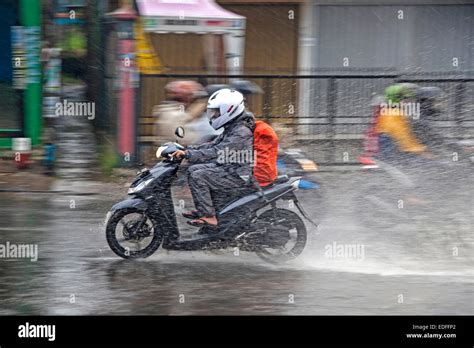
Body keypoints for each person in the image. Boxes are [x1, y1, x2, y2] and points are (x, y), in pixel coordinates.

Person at [171, 88, 256, 228]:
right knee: (192, 170)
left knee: (199, 175)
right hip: (229, 168)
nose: (214, 115)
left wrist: (188, 155)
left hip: (238, 174)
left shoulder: (241, 132)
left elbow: (217, 151)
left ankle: (209, 216)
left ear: (229, 110)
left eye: (217, 111)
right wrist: (186, 150)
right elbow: (212, 145)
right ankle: (204, 210)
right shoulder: (233, 126)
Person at [153, 80, 213, 146]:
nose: (194, 101)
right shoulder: (171, 114)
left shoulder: (179, 113)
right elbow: (187, 139)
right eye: (193, 97)